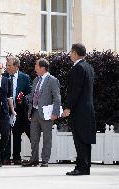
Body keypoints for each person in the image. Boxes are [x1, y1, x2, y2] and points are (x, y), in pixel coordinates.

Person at [63, 43, 96, 176]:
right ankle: (86, 167)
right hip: (88, 108)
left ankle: (81, 168)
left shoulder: (78, 68)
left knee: (80, 139)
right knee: (85, 139)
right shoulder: (89, 67)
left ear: (76, 53)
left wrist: (68, 107)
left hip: (79, 110)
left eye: (71, 52)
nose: (70, 55)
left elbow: (75, 90)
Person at [22, 58, 61, 167]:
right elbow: (34, 95)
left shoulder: (53, 80)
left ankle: (45, 160)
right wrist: (24, 98)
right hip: (34, 113)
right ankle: (34, 159)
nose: (35, 68)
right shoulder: (36, 80)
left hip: (47, 114)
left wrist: (55, 112)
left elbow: (57, 98)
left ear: (43, 68)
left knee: (47, 138)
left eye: (36, 66)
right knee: (34, 138)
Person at [3, 56, 32, 165]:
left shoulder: (25, 78)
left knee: (16, 133)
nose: (7, 67)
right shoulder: (3, 77)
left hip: (19, 111)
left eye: (9, 65)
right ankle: (5, 157)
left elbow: (30, 93)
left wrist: (22, 98)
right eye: (6, 65)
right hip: (6, 111)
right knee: (6, 134)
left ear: (16, 66)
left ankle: (16, 157)